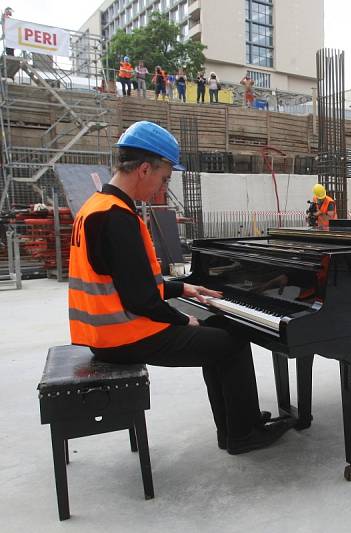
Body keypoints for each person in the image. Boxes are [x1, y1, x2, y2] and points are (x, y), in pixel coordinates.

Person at [68, 120, 293, 454]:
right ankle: (243, 434)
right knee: (231, 342)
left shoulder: (96, 207)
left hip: (104, 332)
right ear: (144, 169)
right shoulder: (118, 217)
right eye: (164, 177)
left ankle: (235, 424)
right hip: (124, 335)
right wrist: (180, 319)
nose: (162, 187)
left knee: (218, 327)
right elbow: (141, 299)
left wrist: (181, 289)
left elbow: (127, 282)